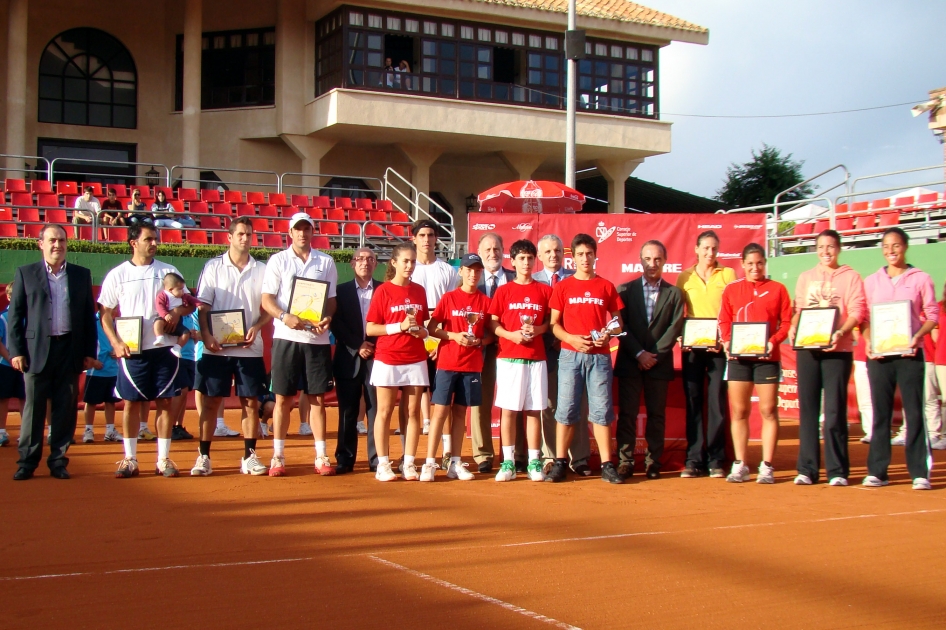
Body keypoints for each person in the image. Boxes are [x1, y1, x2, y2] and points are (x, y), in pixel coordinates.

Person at [99, 223, 196, 478]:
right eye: (148, 239)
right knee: (131, 403)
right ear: (134, 243)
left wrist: (175, 312)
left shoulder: (169, 270)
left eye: (155, 239)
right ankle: (130, 458)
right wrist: (115, 342)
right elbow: (106, 314)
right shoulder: (117, 275)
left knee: (165, 402)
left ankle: (163, 459)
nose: (154, 243)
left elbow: (188, 305)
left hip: (164, 348)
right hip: (132, 351)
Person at [8, 225, 97, 480]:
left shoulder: (81, 275)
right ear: (41, 244)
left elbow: (87, 318)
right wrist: (16, 351)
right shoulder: (26, 274)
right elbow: (15, 317)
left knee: (65, 409)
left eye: (62, 241)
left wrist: (89, 352)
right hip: (35, 351)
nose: (57, 245)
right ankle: (27, 462)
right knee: (33, 410)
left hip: (69, 350)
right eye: (52, 241)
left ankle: (58, 460)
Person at [191, 216, 271, 476]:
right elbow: (202, 307)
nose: (245, 239)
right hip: (216, 349)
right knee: (211, 403)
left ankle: (249, 456)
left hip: (250, 349)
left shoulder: (261, 269)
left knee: (250, 403)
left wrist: (257, 327)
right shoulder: (213, 267)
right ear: (229, 237)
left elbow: (269, 307)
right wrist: (206, 336)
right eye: (240, 234)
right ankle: (203, 456)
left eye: (249, 234)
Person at [261, 212, 337, 476]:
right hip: (286, 337)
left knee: (317, 398)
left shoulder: (325, 261)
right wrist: (285, 316)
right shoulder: (277, 261)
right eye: (298, 229)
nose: (303, 233)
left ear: (312, 232)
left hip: (317, 340)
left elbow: (331, 299)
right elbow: (267, 300)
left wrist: (327, 317)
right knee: (283, 398)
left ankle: (321, 455)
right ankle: (278, 456)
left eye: (307, 229)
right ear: (290, 233)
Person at [788, 230, 866, 486]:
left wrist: (842, 331)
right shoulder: (805, 277)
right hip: (808, 350)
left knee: (834, 412)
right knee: (808, 411)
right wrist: (793, 325)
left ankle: (837, 471)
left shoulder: (852, 277)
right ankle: (807, 469)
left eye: (830, 246)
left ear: (839, 248)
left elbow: (857, 310)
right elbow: (799, 310)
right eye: (821, 246)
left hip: (838, 350)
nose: (825, 251)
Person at [861, 228, 938, 490]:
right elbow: (865, 319)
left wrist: (918, 336)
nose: (891, 250)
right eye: (886, 246)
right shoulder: (871, 282)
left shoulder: (921, 279)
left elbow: (932, 315)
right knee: (881, 414)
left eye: (896, 245)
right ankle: (877, 472)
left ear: (905, 247)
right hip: (880, 357)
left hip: (910, 354)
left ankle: (920, 473)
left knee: (914, 412)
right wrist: (869, 339)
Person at [546, 233, 624, 484]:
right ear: (574, 257)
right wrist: (571, 339)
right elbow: (554, 325)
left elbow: (617, 324)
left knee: (601, 412)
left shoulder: (606, 286)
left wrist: (608, 336)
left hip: (600, 357)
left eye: (589, 253)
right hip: (570, 355)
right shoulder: (563, 287)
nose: (585, 258)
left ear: (595, 255)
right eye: (580, 254)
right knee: (566, 411)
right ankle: (560, 463)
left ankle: (606, 464)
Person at [718, 243, 791, 484]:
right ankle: (740, 464)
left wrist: (774, 341)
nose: (755, 267)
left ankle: (767, 465)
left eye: (759, 263)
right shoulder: (732, 290)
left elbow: (787, 322)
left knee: (768, 410)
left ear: (765, 263)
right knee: (739, 411)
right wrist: (727, 342)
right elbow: (724, 321)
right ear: (742, 264)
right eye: (750, 263)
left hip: (767, 359)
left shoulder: (778, 289)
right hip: (738, 358)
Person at [615, 240, 685, 480]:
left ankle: (653, 462)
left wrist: (652, 356)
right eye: (647, 259)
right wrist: (638, 353)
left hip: (659, 363)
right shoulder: (624, 290)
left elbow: (675, 328)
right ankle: (625, 462)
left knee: (656, 416)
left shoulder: (675, 294)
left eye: (657, 259)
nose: (652, 264)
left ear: (664, 261)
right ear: (640, 260)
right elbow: (620, 328)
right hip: (629, 361)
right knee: (627, 414)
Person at [421, 252, 491, 481]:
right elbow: (431, 328)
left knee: (461, 412)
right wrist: (452, 335)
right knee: (440, 411)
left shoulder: (485, 301)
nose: (473, 274)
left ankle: (455, 462)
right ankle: (430, 462)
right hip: (447, 362)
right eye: (469, 269)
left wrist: (480, 341)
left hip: (472, 365)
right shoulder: (449, 298)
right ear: (460, 271)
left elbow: (492, 333)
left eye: (477, 270)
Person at [487, 240, 552, 482]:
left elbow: (551, 323)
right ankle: (508, 463)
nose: (526, 262)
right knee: (509, 411)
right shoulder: (503, 291)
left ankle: (535, 462)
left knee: (534, 410)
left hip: (536, 358)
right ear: (512, 261)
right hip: (508, 358)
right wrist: (511, 335)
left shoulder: (545, 290)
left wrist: (537, 330)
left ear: (535, 261)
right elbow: (493, 324)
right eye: (521, 258)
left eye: (529, 258)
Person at [365, 243, 430, 481]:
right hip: (388, 358)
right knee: (384, 411)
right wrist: (399, 327)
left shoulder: (420, 291)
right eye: (405, 261)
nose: (410, 266)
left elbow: (424, 326)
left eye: (413, 261)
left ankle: (409, 462)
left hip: (415, 358)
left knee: (413, 412)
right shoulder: (382, 291)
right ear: (394, 263)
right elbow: (370, 328)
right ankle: (383, 463)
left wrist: (420, 332)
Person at [676, 230, 736, 478]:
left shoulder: (728, 274)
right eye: (706, 248)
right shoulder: (684, 277)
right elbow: (680, 311)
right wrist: (681, 336)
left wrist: (725, 339)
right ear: (696, 250)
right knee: (693, 403)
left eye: (714, 248)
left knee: (716, 404)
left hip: (718, 349)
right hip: (692, 348)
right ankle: (693, 459)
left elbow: (732, 309)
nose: (710, 253)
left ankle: (716, 459)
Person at [533, 234, 590, 476]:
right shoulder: (531, 281)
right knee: (548, 405)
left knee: (578, 403)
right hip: (543, 351)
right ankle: (550, 456)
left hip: (574, 349)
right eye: (547, 252)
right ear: (539, 256)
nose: (553, 255)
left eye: (557, 251)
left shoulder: (577, 279)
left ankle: (579, 458)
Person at [408, 220, 458, 456]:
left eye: (430, 235)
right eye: (422, 235)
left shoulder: (448, 270)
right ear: (414, 239)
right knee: (415, 390)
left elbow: (451, 308)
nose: (426, 239)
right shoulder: (408, 268)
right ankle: (412, 454)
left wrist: (439, 339)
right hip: (413, 334)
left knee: (442, 394)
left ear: (436, 239)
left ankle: (447, 451)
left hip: (440, 335)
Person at [330, 246, 381, 474]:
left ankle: (378, 459)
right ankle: (345, 458)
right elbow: (336, 324)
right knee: (347, 411)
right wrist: (357, 345)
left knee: (376, 410)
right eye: (360, 259)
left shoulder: (384, 290)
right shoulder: (339, 292)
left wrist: (371, 346)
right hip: (348, 358)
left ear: (376, 264)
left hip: (378, 358)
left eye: (370, 259)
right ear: (352, 264)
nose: (365, 262)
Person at [471, 232, 516, 473]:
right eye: (487, 249)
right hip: (481, 350)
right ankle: (483, 454)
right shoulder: (472, 281)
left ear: (503, 250)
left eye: (496, 248)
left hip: (513, 349)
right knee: (481, 402)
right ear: (480, 253)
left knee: (516, 402)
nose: (492, 253)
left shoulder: (516, 277)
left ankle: (515, 453)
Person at [80, 310, 124, 443]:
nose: (116, 308)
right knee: (91, 401)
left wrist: (119, 352)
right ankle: (88, 431)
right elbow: (84, 342)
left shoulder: (119, 322)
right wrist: (92, 361)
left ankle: (110, 431)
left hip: (113, 369)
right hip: (96, 369)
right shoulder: (91, 321)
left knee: (110, 401)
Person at [0, 282, 24, 447]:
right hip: (5, 365)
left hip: (26, 366)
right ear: (8, 297)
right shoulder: (2, 317)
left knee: (26, 398)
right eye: (14, 295)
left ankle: (25, 433)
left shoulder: (30, 318)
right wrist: (10, 358)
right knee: (3, 398)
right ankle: (1, 431)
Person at [153, 273, 201, 348]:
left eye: (183, 289)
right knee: (157, 322)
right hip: (164, 319)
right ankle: (159, 337)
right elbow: (159, 306)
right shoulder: (163, 296)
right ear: (171, 290)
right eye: (180, 289)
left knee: (186, 333)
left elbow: (192, 299)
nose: (183, 291)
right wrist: (165, 314)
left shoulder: (183, 296)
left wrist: (199, 304)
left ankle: (178, 347)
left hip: (177, 323)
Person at [852, 328, 873, 443]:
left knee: (880, 397)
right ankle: (870, 430)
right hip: (861, 357)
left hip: (883, 355)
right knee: (864, 399)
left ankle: (880, 429)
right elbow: (855, 332)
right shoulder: (863, 313)